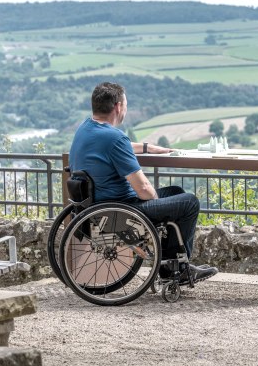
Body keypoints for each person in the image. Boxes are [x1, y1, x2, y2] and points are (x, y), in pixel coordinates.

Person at [69, 81, 218, 284]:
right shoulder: (114, 137)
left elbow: (116, 146)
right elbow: (144, 190)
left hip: (96, 209)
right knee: (189, 202)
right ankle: (177, 270)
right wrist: (153, 201)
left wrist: (149, 148)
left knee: (175, 191)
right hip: (121, 211)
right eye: (126, 105)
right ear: (118, 107)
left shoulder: (86, 129)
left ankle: (169, 264)